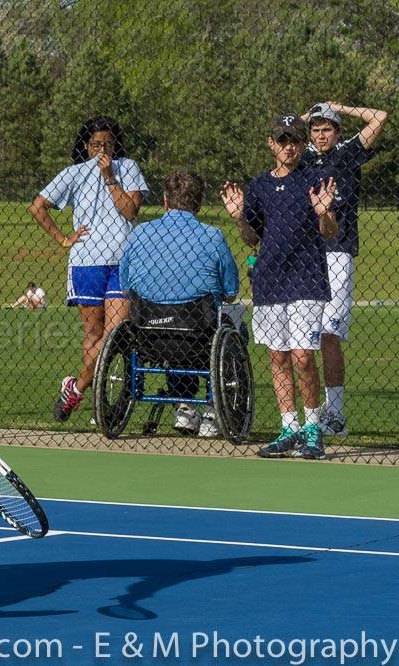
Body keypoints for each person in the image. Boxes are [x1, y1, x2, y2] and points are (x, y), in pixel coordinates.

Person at [221, 114, 337, 460]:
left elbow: (329, 232)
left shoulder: (316, 180)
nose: (289, 146)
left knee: (303, 357)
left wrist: (323, 213)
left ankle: (312, 428)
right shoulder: (258, 186)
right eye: (282, 140)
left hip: (306, 280)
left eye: (295, 140)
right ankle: (289, 428)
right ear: (272, 144)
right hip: (270, 282)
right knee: (278, 356)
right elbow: (250, 238)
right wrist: (239, 215)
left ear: (303, 145)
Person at [28, 116, 148, 422]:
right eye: (96, 144)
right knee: (93, 334)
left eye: (107, 143)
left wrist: (109, 177)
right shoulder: (74, 173)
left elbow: (131, 210)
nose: (102, 148)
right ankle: (97, 400)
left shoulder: (127, 167)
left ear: (115, 144)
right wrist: (62, 238)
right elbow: (37, 206)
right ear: (86, 146)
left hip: (122, 262)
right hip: (86, 262)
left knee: (114, 332)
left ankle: (77, 388)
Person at [119, 170, 239, 437]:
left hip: (149, 332)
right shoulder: (212, 236)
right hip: (199, 331)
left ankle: (183, 404)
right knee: (229, 324)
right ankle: (211, 406)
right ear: (197, 203)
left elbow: (125, 285)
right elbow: (231, 289)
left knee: (174, 326)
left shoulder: (140, 234)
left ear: (165, 200)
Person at [299, 101, 389, 437]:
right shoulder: (304, 156)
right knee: (303, 337)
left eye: (327, 129)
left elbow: (379, 118)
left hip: (337, 252)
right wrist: (311, 114)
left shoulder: (349, 152)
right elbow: (281, 132)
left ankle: (335, 413)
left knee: (329, 334)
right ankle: (309, 416)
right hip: (307, 253)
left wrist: (338, 107)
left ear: (338, 132)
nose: (321, 135)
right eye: (316, 129)